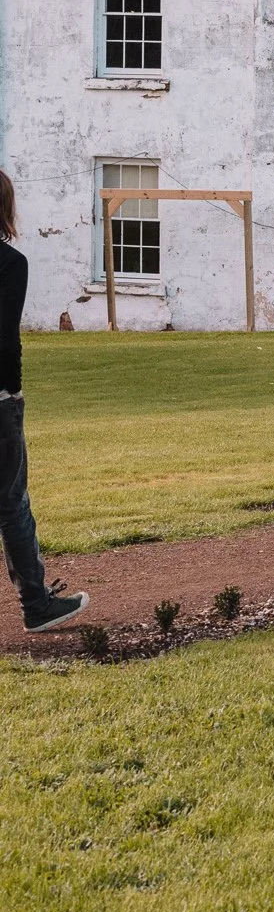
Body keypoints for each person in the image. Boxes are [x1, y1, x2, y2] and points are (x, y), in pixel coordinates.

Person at [0, 170, 89, 632]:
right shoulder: (10, 263)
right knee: (11, 502)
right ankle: (36, 604)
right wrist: (13, 391)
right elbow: (5, 338)